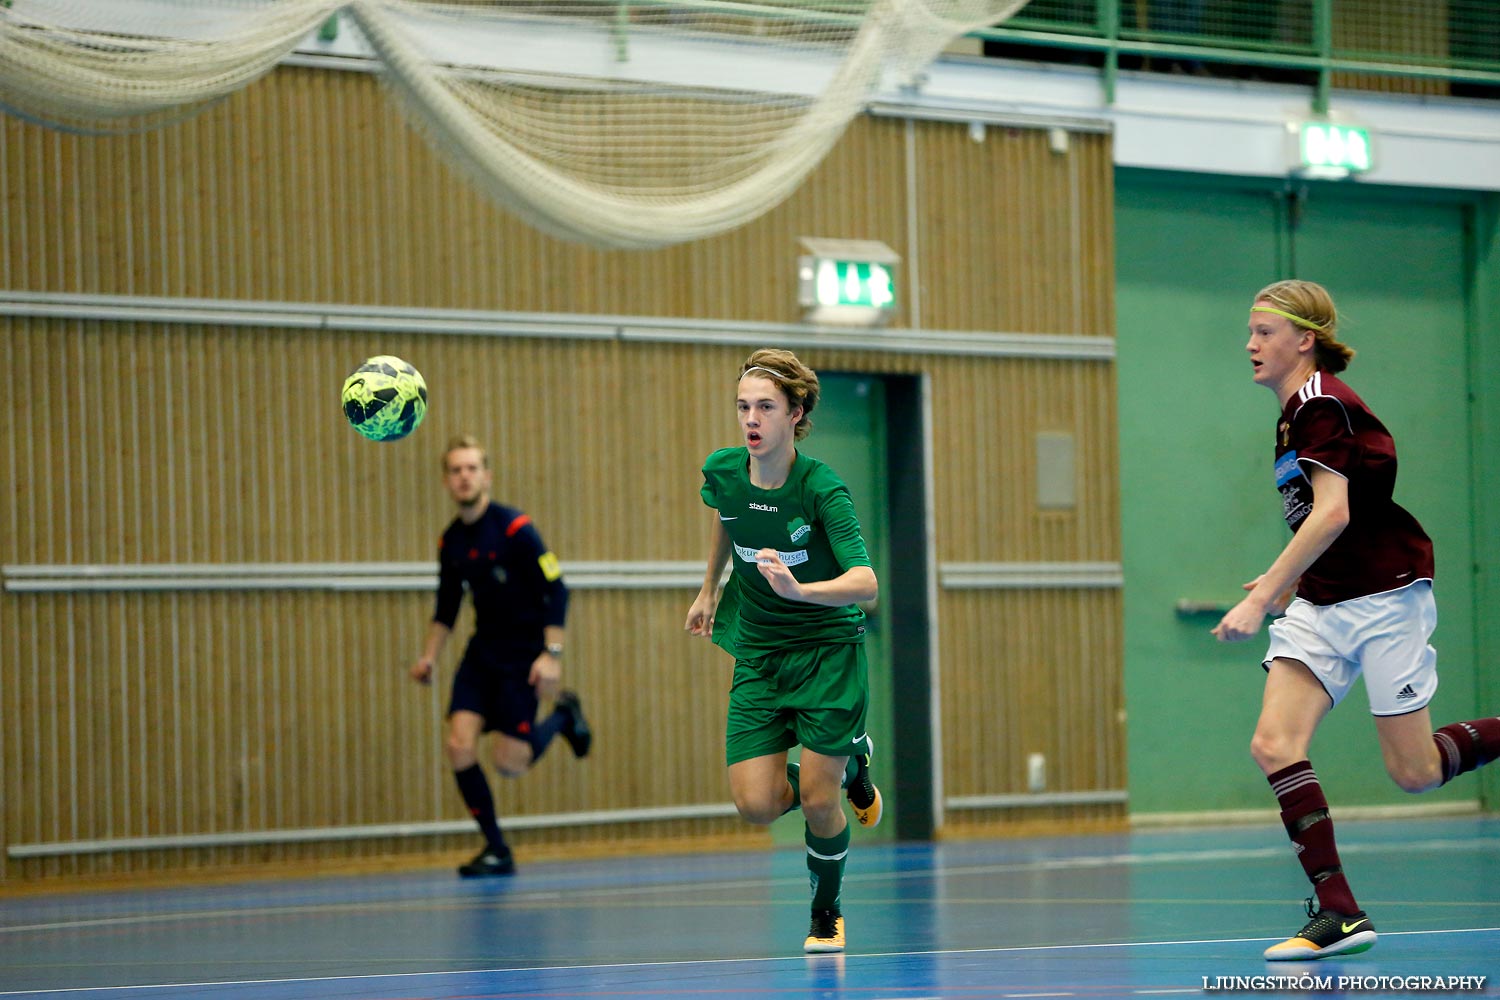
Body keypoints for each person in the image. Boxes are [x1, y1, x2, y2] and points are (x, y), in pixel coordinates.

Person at [1212, 280, 1500, 960]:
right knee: (1274, 743)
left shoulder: (1323, 407)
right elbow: (1321, 518)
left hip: (1382, 597)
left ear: (1303, 340)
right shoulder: (1292, 414)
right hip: (1322, 601)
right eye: (1249, 332)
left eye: (1264, 332)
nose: (1250, 344)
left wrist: (1261, 596)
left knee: (1416, 771)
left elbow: (1334, 512)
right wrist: (1288, 581)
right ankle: (1339, 912)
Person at [684, 348, 884, 955]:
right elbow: (727, 514)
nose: (751, 419)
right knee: (756, 803)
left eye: (765, 407)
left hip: (826, 651)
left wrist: (800, 590)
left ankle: (827, 908)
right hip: (762, 655)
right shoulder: (725, 470)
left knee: (821, 802)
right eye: (744, 406)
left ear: (796, 414)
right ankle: (848, 761)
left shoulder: (822, 489)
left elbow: (867, 585)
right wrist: (708, 589)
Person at [412, 434, 592, 877]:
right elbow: (447, 607)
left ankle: (564, 716)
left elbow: (557, 588)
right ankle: (496, 849)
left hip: (522, 653)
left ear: (486, 475)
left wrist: (551, 655)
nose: (464, 477)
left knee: (509, 764)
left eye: (471, 468)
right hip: (482, 653)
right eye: (456, 470)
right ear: (447, 481)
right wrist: (429, 657)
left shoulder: (515, 529)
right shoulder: (450, 541)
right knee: (459, 746)